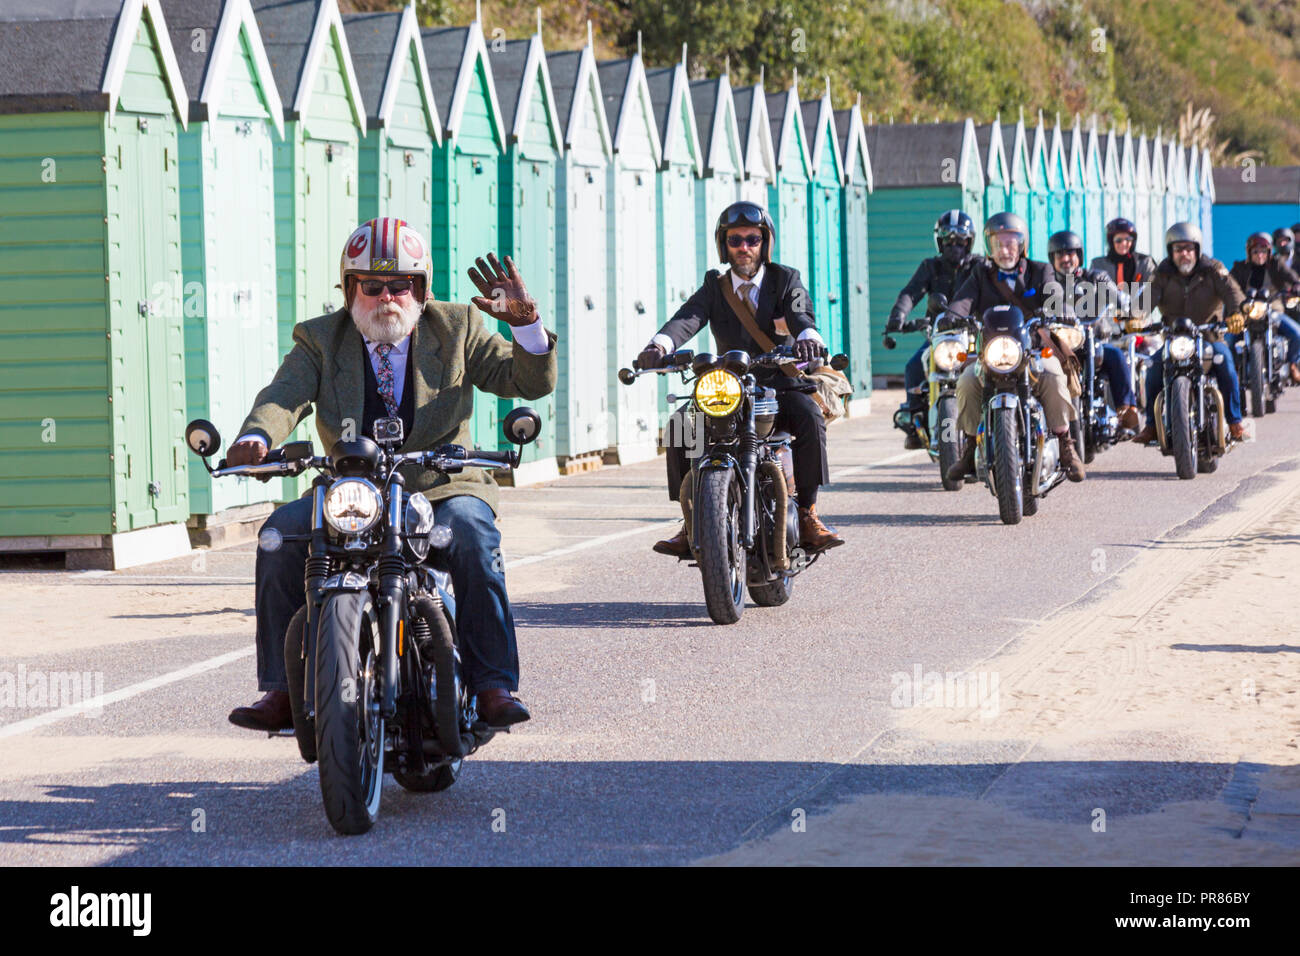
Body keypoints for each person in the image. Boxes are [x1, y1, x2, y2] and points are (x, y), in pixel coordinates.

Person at [225, 217, 557, 733]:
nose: (387, 296)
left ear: (421, 289)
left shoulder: (458, 326)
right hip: (352, 493)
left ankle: (493, 684)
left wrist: (525, 325)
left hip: (441, 486)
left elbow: (525, 382)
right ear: (349, 288)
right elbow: (283, 394)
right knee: (276, 538)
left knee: (471, 536)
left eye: (401, 284)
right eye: (371, 285)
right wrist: (257, 437)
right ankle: (284, 690)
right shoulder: (320, 338)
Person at [640, 200, 842, 556]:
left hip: (778, 386)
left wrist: (809, 337)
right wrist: (659, 344)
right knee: (680, 426)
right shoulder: (714, 288)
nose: (744, 247)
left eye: (752, 239)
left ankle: (809, 512)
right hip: (728, 387)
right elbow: (688, 317)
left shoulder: (785, 279)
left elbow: (800, 313)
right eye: (736, 240)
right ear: (725, 245)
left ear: (765, 243)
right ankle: (690, 521)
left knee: (810, 417)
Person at [943, 212, 1086, 483]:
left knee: (1054, 375)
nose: (1005, 249)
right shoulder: (980, 273)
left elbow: (1054, 293)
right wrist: (952, 314)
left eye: (1011, 243)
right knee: (966, 381)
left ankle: (1066, 443)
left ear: (1022, 245)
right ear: (989, 247)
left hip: (1031, 349)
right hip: (990, 353)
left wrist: (1061, 310)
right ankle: (970, 448)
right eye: (998, 243)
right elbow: (963, 300)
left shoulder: (1040, 270)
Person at [1131, 222, 1246, 444]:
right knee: (1153, 367)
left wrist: (1236, 314)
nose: (1184, 254)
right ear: (1170, 252)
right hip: (1176, 340)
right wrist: (1136, 316)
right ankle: (1152, 426)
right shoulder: (1162, 273)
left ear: (1197, 249)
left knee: (1225, 363)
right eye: (1178, 249)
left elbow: (1232, 292)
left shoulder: (1213, 269)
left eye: (1188, 249)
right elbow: (1146, 298)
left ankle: (1235, 420)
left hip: (1209, 337)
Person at [884, 210, 984, 449]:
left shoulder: (979, 266)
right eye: (948, 238)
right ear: (939, 241)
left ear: (969, 241)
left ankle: (997, 416)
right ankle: (914, 423)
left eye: (960, 239)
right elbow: (911, 293)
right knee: (913, 366)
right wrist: (898, 317)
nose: (954, 244)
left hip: (973, 335)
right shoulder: (931, 267)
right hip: (940, 335)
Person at [1048, 230, 1141, 432]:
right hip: (1061, 345)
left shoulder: (1095, 276)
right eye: (1060, 255)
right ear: (1052, 259)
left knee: (1115, 355)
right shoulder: (1048, 282)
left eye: (1070, 254)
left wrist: (1126, 305)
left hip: (1093, 339)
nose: (1066, 259)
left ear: (1079, 256)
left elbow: (1120, 299)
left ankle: (1126, 409)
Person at [1228, 232, 1300, 386]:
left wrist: (1296, 286)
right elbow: (1229, 285)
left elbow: (1293, 278)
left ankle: (1292, 364)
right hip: (1247, 313)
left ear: (1269, 252)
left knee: (1297, 334)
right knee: (1228, 339)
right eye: (1255, 252)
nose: (1260, 255)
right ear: (1249, 252)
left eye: (1263, 251)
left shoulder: (1277, 264)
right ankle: (1232, 370)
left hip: (1272, 310)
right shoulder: (1240, 268)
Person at [1089, 217, 1159, 317]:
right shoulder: (1098, 264)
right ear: (1111, 242)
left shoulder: (1144, 262)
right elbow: (1091, 294)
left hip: (1138, 319)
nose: (1124, 244)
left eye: (1128, 239)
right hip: (1107, 320)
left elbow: (1155, 290)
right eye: (1118, 240)